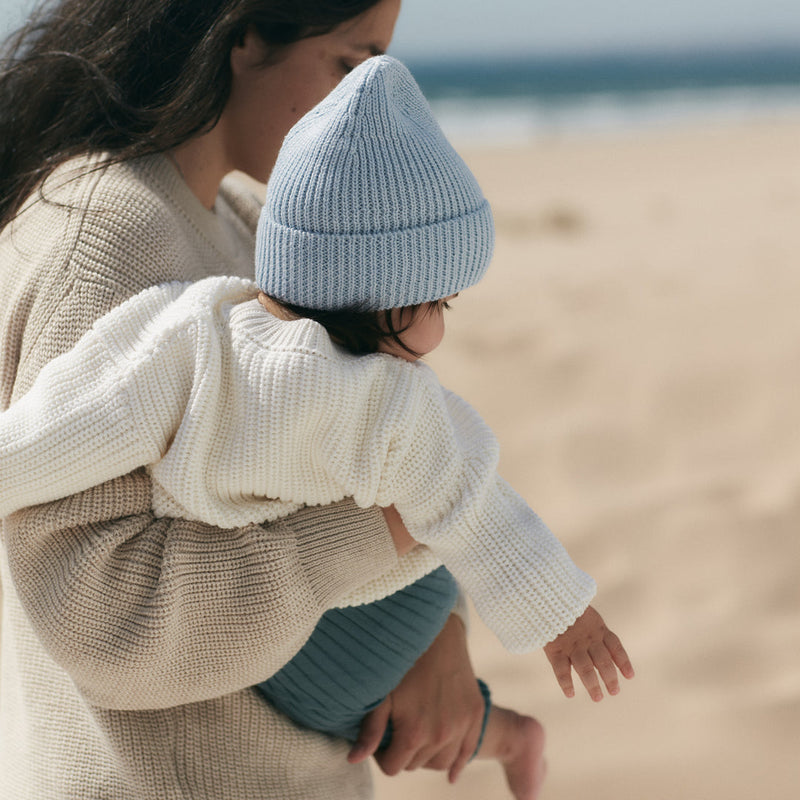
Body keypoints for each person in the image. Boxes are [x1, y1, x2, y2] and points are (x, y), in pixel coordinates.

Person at [0, 55, 634, 799]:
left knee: (338, 675)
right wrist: (565, 617)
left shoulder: (191, 327)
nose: (439, 331)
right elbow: (478, 503)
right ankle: (511, 735)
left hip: (347, 590)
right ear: (385, 296)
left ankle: (505, 732)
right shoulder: (391, 405)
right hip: (371, 590)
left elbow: (68, 428)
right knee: (340, 684)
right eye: (439, 304)